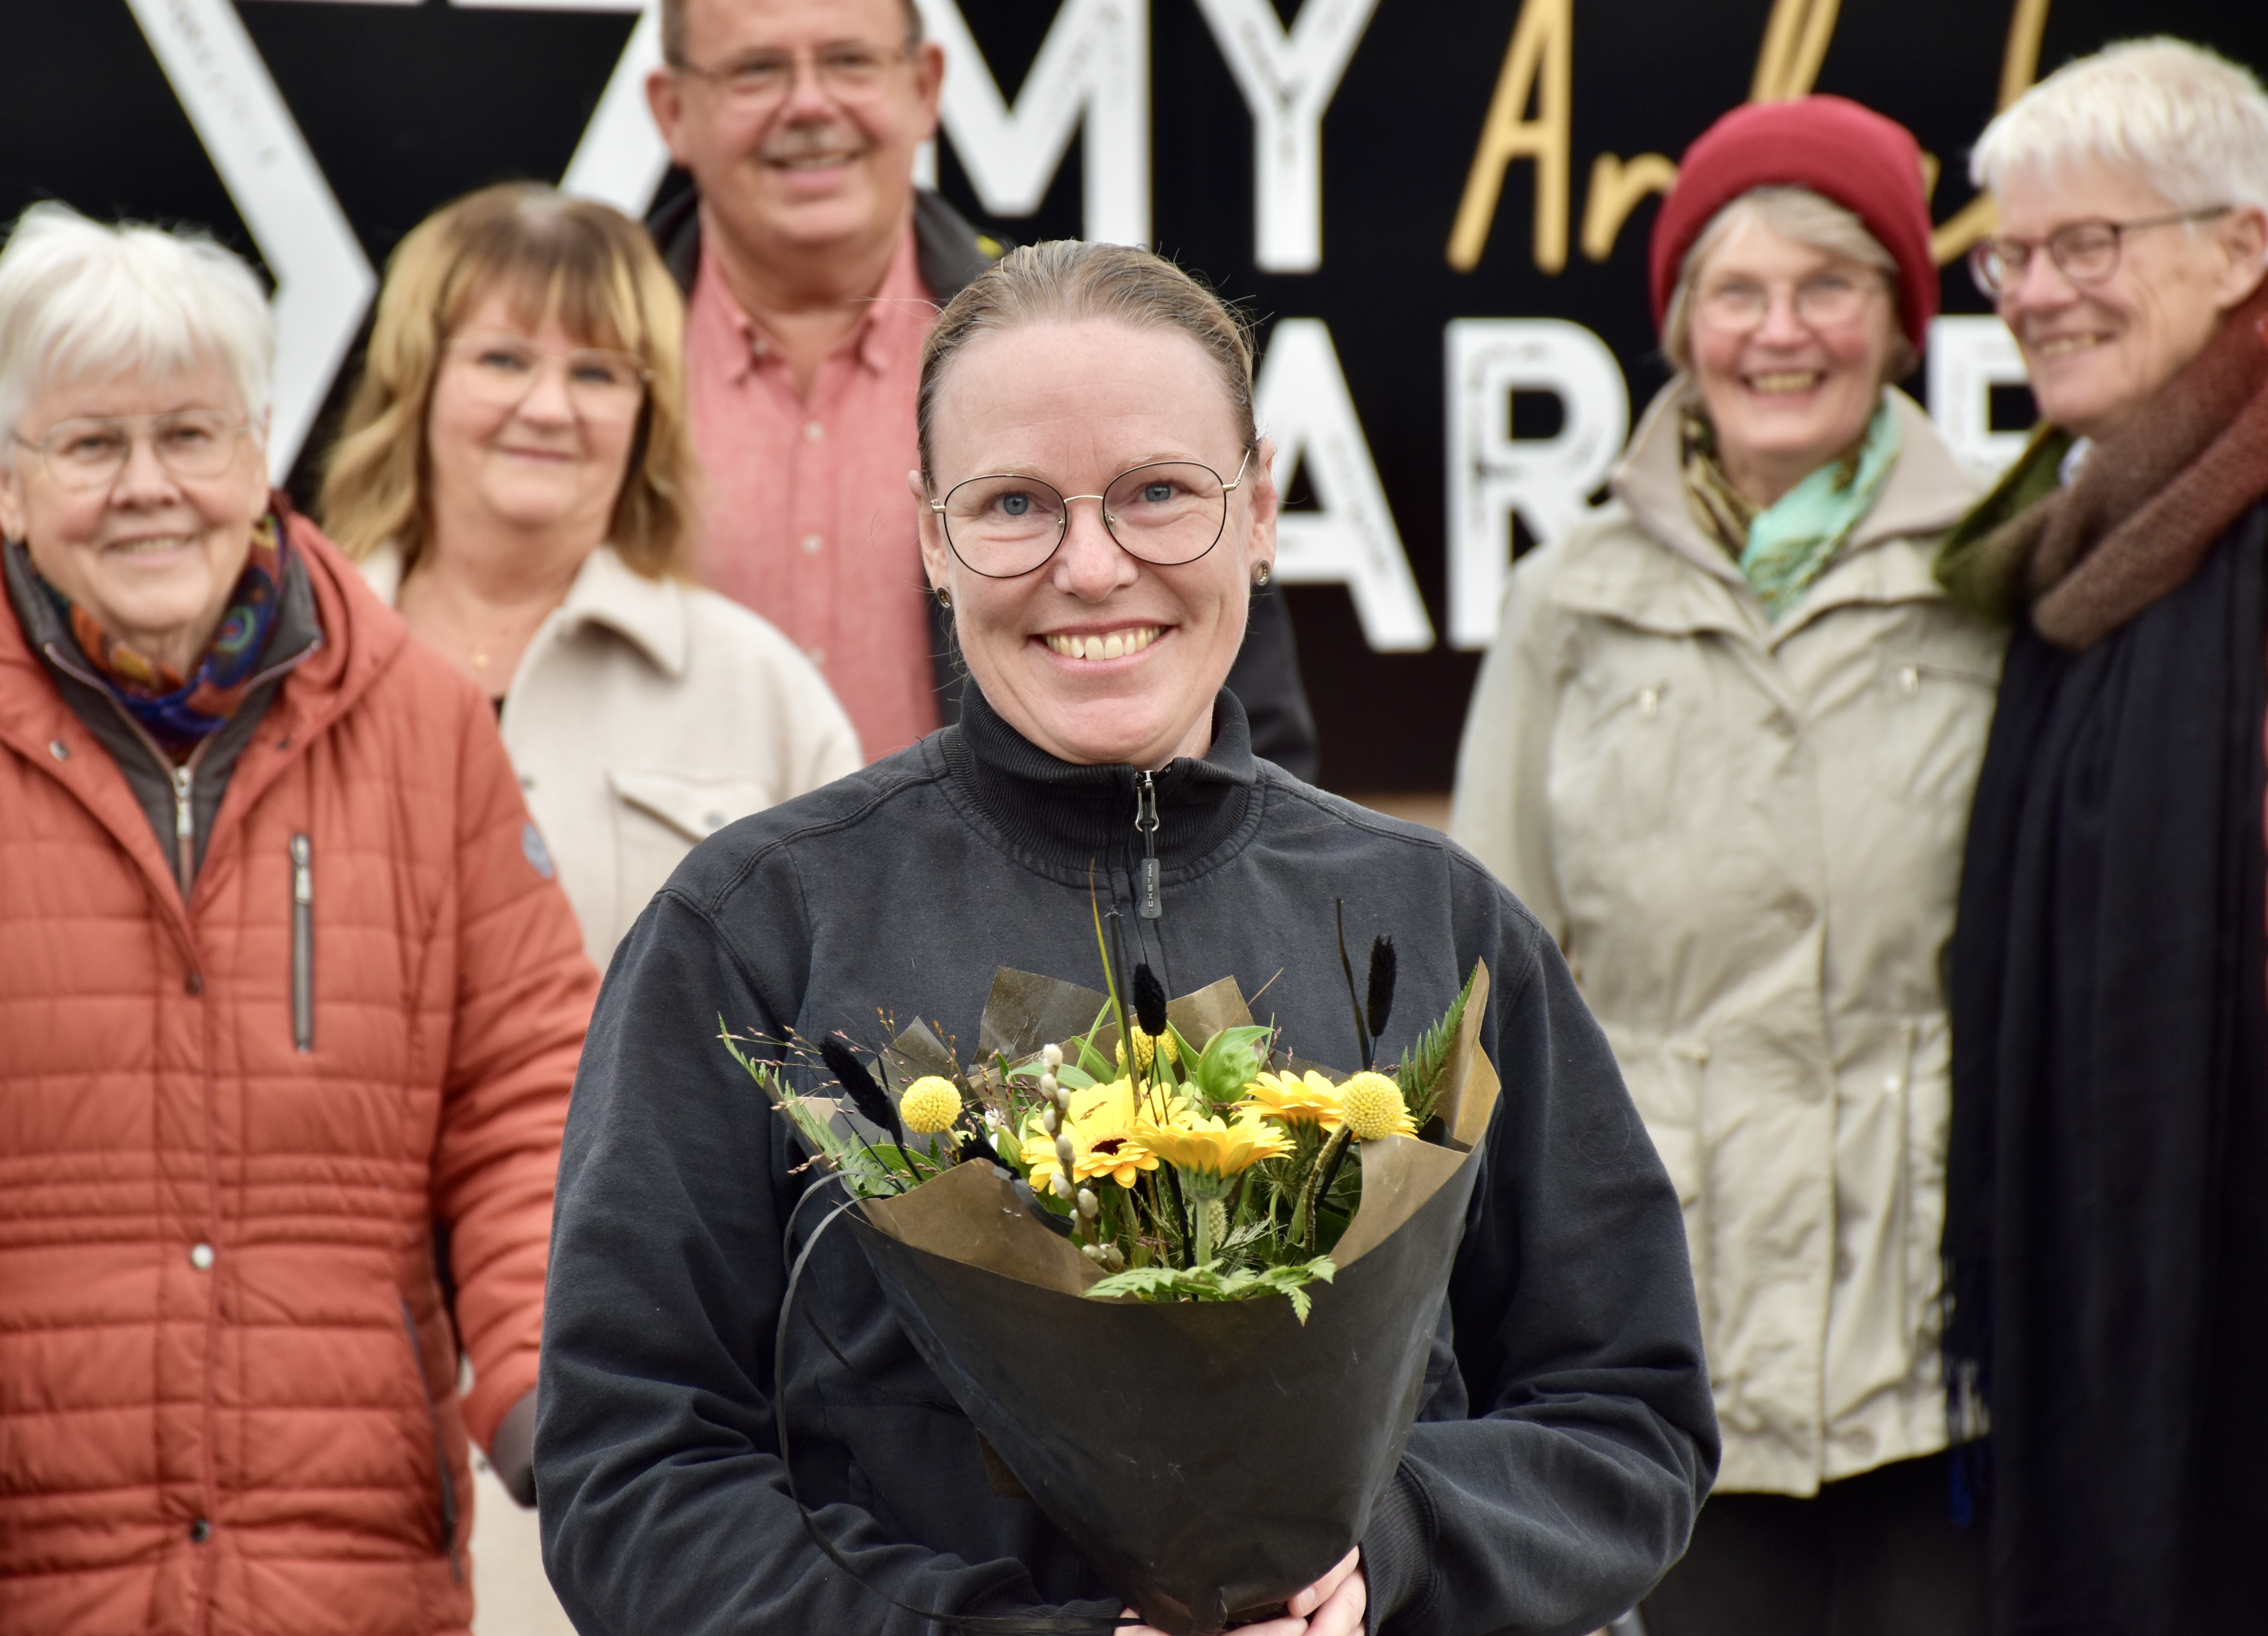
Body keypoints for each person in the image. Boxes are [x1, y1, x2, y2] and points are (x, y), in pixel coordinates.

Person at [536, 239, 1716, 1636]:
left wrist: (1389, 1557)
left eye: (1161, 495)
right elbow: (630, 1473)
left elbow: (1626, 1417)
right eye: (1014, 504)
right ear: (928, 534)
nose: (1091, 568)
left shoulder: (1436, 927)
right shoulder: (756, 934)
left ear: (1263, 510)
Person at [0, 204, 598, 1634]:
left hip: (346, 1561)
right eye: (90, 444)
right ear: (2, 464)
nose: (148, 488)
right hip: (13, 1556)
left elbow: (532, 1094)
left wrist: (571, 1392)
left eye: (189, 434)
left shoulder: (418, 719)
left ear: (259, 446)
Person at [1453, 96, 1998, 1635]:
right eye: (1737, 292)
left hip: (1941, 1333)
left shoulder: (2002, 576)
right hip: (1657, 1328)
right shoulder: (1570, 598)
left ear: (1900, 323)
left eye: (1829, 288)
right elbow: (1491, 981)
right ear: (1681, 324)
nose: (1782, 332)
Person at [1933, 38, 2268, 1636]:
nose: (2035, 292)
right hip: (2119, 1348)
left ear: (2242, 248)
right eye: (2011, 253)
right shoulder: (2082, 538)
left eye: (2089, 245)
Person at [641, 0, 1322, 776]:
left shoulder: (1069, 345)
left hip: (1032, 894)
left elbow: (1244, 729)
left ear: (925, 85)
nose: (809, 105)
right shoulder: (579, 367)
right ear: (673, 110)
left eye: (849, 62)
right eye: (757, 69)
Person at [322, 182, 860, 972]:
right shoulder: (297, 662)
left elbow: (841, 1012)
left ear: (649, 412)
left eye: (598, 374)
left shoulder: (759, 691)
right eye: (504, 360)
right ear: (416, 381)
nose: (548, 408)